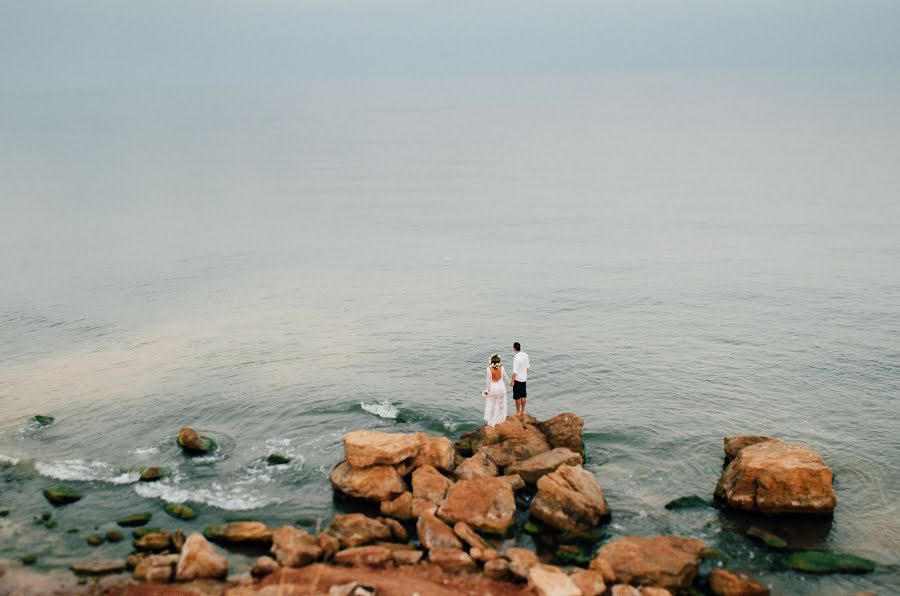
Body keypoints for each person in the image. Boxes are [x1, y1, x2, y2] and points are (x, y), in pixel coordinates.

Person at [482, 354, 509, 426]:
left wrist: (487, 390)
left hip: (493, 389)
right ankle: (501, 420)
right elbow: (505, 378)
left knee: (492, 406)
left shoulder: (489, 369)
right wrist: (510, 383)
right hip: (501, 388)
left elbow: (488, 381)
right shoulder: (502, 368)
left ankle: (492, 422)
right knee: (502, 405)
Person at [510, 341, 529, 415]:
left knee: (517, 397)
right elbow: (527, 367)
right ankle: (523, 411)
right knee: (523, 395)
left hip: (517, 379)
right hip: (524, 378)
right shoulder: (525, 355)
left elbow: (515, 372)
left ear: (514, 348)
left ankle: (518, 412)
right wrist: (525, 375)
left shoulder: (516, 358)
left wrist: (512, 381)